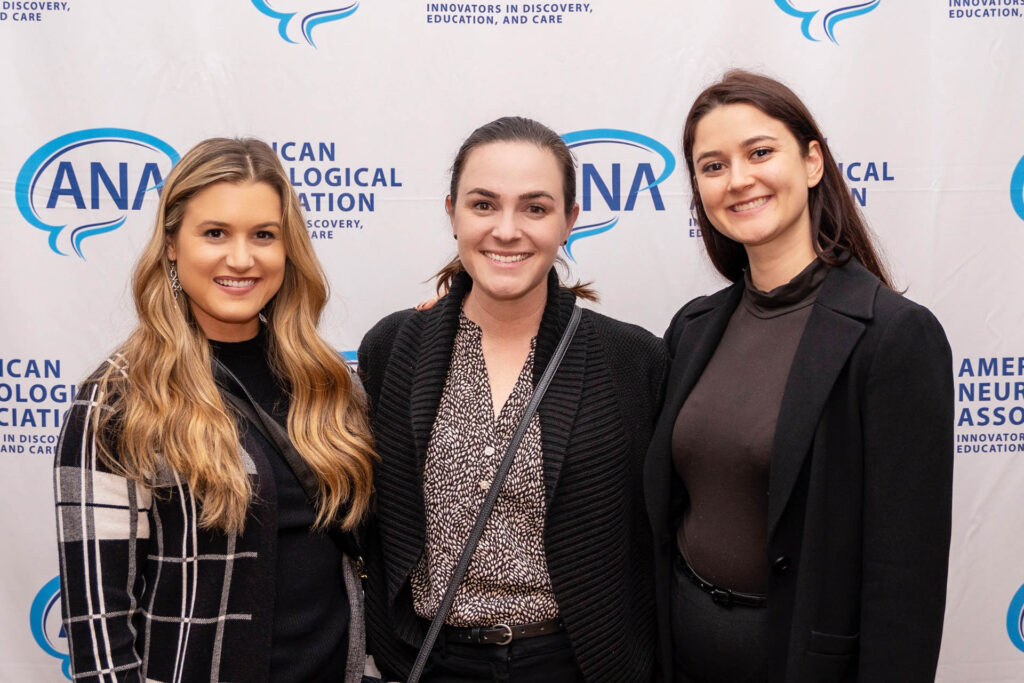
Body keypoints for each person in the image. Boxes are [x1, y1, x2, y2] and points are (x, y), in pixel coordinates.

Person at [644, 70, 954, 682]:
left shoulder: (892, 338)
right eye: (712, 165)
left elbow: (906, 582)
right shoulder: (693, 328)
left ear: (813, 162)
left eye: (760, 152)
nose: (738, 180)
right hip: (682, 659)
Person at [53, 137, 376, 683]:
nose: (242, 259)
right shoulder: (117, 401)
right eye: (215, 233)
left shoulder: (328, 382)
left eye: (264, 236)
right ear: (172, 244)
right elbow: (100, 636)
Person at [358, 116, 667, 682]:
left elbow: (659, 537)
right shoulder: (393, 348)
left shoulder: (633, 360)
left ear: (569, 220)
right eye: (483, 205)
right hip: (428, 661)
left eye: (535, 207)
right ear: (451, 212)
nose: (507, 229)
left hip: (577, 664)